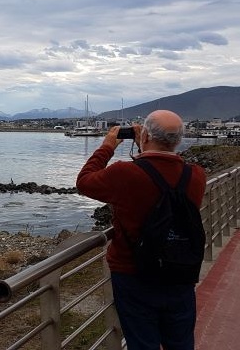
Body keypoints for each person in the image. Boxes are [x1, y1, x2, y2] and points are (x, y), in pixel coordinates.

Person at [76, 110, 206, 350]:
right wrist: (146, 146)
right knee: (181, 342)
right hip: (180, 271)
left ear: (144, 135)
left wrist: (107, 146)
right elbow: (164, 173)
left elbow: (84, 182)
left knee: (142, 343)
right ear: (178, 140)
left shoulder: (125, 173)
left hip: (133, 273)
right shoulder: (196, 175)